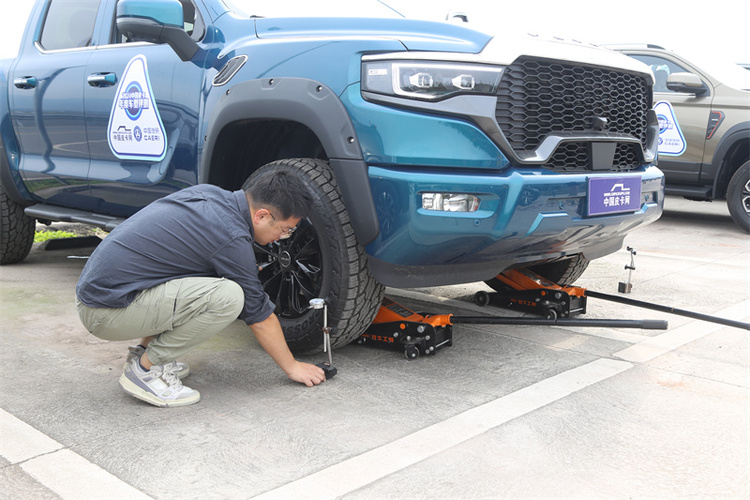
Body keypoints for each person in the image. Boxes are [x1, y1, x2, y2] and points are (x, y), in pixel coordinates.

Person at [75, 168, 326, 407]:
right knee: (229, 298)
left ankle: (143, 354)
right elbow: (259, 316)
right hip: (104, 312)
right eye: (284, 231)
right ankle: (145, 370)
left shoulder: (210, 195)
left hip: (104, 296)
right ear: (261, 216)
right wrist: (292, 366)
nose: (283, 238)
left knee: (211, 283)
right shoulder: (230, 235)